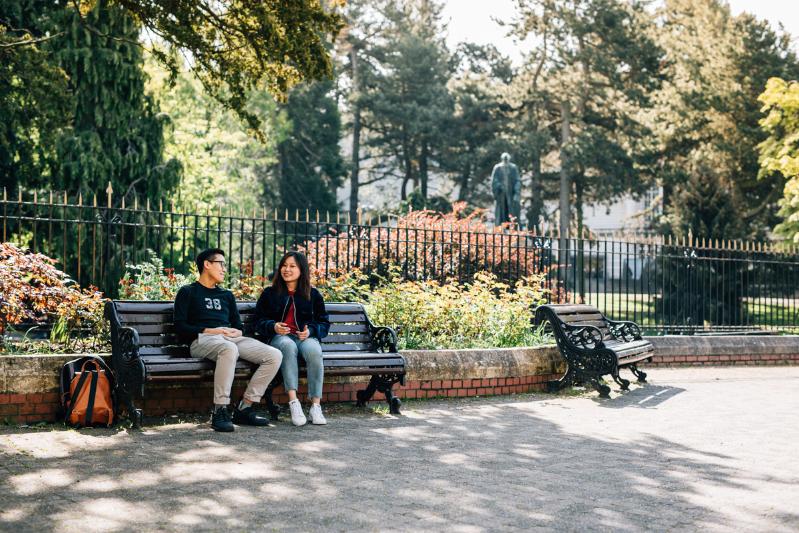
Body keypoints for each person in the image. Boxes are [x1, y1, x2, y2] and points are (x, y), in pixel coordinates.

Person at [174, 248, 283, 432]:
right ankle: (220, 410)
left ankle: (244, 407)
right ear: (207, 265)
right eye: (221, 264)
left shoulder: (226, 295)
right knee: (228, 349)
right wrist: (210, 330)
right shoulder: (188, 292)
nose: (224, 269)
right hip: (202, 340)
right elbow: (180, 328)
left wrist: (237, 333)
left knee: (274, 355)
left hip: (229, 340)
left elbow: (238, 326)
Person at [254, 251, 330, 426]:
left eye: (292, 266)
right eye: (284, 265)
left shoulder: (313, 294)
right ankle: (293, 402)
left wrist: (311, 330)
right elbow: (258, 321)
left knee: (314, 349)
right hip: (280, 338)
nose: (286, 269)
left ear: (301, 270)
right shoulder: (270, 294)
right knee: (288, 346)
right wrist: (273, 326)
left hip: (303, 337)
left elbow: (324, 323)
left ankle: (315, 406)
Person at [491, 152, 522, 226]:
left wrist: (516, 191)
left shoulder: (513, 168)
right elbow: (494, 180)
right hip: (501, 194)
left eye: (506, 159)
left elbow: (517, 180)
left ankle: (512, 227)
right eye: (504, 159)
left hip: (511, 194)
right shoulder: (497, 168)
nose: (505, 160)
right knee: (500, 212)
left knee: (512, 211)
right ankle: (500, 227)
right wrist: (499, 186)